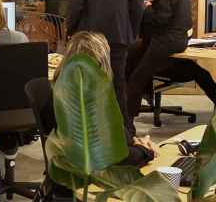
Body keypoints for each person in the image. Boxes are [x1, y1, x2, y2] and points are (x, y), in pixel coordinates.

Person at [53, 31, 158, 167]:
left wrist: (135, 143)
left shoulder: (61, 88)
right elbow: (115, 157)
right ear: (102, 62)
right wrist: (145, 151)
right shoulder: (89, 103)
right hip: (88, 179)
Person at [126, 0, 194, 133]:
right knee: (134, 53)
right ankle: (147, 93)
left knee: (135, 79)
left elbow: (160, 19)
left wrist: (146, 9)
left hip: (166, 42)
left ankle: (127, 124)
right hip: (180, 40)